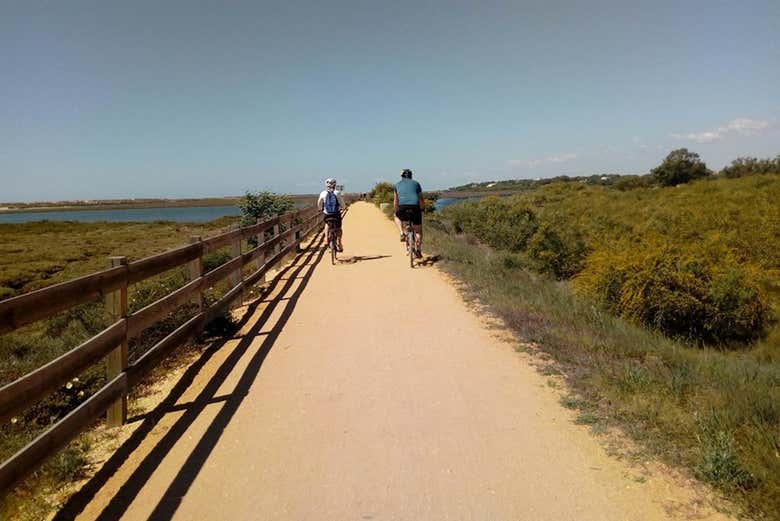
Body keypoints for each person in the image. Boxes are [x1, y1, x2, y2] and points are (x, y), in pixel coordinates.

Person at [393, 169, 424, 258]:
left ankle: (402, 233)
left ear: (402, 176)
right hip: (415, 207)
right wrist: (422, 207)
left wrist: (395, 210)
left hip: (402, 207)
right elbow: (421, 198)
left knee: (396, 216)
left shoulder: (397, 185)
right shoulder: (416, 183)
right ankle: (418, 249)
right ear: (411, 176)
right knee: (418, 230)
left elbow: (396, 201)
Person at [317, 178, 346, 251]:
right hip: (336, 213)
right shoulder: (337, 193)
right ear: (335, 185)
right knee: (339, 227)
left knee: (327, 224)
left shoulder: (323, 193)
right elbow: (342, 203)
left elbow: (319, 202)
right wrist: (344, 207)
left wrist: (320, 209)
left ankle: (326, 238)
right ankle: (339, 241)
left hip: (327, 213)